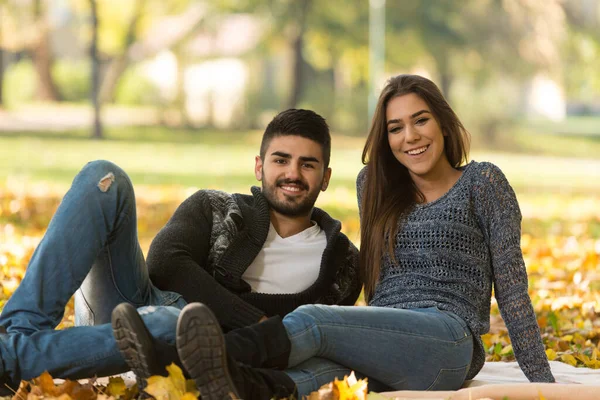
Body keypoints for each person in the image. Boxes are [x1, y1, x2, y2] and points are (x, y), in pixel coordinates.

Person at [113, 74, 554, 400]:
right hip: (390, 341)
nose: (410, 136)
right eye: (396, 127)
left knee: (315, 320)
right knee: (322, 372)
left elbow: (513, 292)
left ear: (442, 122)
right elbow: (380, 287)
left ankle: (171, 360)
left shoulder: (483, 182)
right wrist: (364, 342)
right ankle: (205, 388)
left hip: (448, 342)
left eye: (420, 120)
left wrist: (543, 386)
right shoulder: (374, 186)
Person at [0, 109, 361, 393]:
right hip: (126, 305)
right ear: (259, 166)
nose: (292, 173)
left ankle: (10, 357)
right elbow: (165, 263)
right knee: (104, 178)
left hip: (195, 352)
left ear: (325, 177)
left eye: (307, 164)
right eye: (281, 160)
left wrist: (222, 336)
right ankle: (15, 334)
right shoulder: (215, 207)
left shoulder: (342, 263)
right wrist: (255, 323)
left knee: (169, 323)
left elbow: (315, 341)